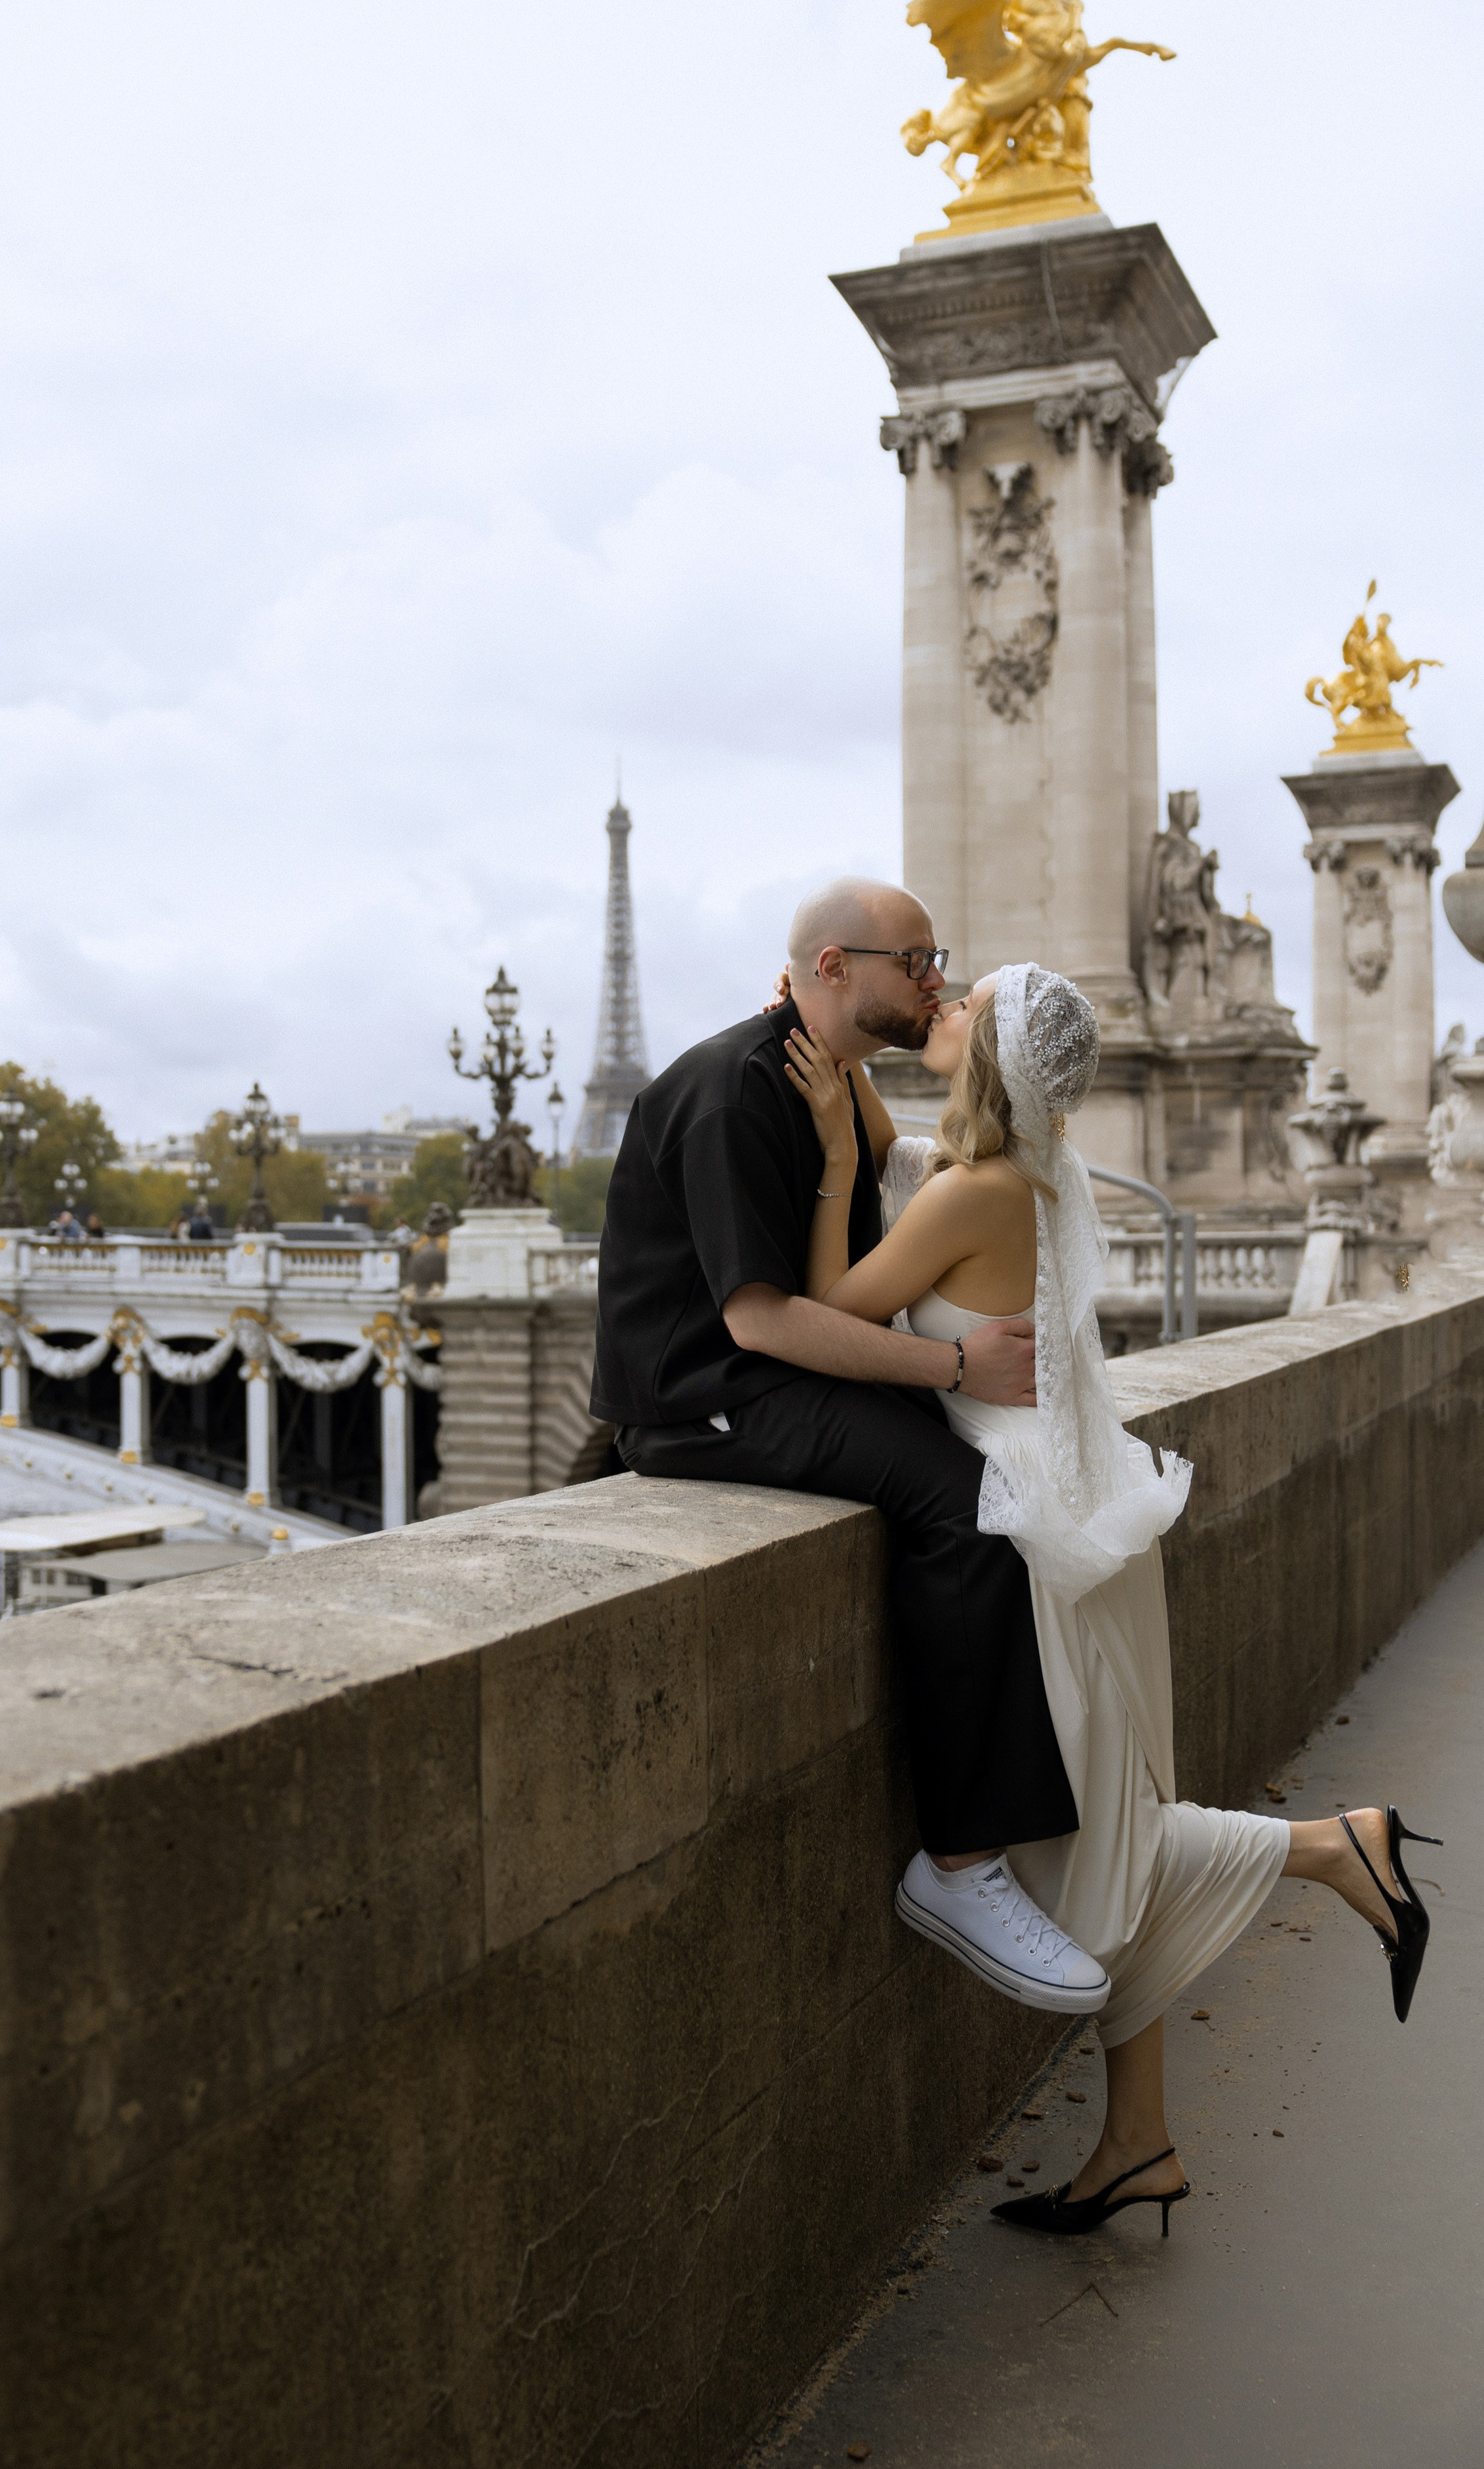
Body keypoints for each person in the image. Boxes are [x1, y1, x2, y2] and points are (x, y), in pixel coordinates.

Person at [784, 961, 1439, 2237]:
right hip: (1086, 1512)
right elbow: (901, 1133)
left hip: (1026, 1536)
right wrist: (852, 1079)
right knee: (1113, 1814)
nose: (944, 999)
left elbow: (820, 1309)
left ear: (988, 1054)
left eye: (963, 996)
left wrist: (823, 1158)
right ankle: (1133, 2144)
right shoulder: (1030, 1165)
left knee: (1086, 1850)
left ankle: (1330, 1848)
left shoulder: (972, 1192)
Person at [592, 878, 1108, 2013]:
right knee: (967, 1502)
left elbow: (872, 1187)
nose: (934, 983)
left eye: (939, 966)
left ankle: (980, 1845)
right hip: (709, 1398)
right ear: (834, 969)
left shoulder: (823, 1073)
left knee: (975, 1491)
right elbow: (763, 1320)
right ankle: (962, 1865)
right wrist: (959, 1369)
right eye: (916, 962)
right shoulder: (738, 1094)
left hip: (778, 1372)